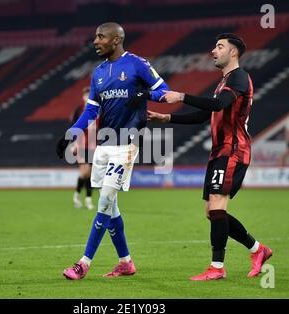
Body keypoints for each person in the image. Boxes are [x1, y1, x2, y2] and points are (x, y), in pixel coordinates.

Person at [148, 33, 273, 281]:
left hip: (233, 150)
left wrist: (182, 96)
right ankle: (258, 250)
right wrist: (168, 118)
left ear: (233, 52)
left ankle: (217, 268)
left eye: (219, 46)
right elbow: (206, 115)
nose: (213, 51)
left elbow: (217, 106)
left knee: (217, 207)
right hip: (220, 152)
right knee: (212, 211)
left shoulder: (238, 77)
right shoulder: (224, 81)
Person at [56, 22, 170, 280]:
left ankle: (83, 264)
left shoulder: (137, 64)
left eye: (100, 36)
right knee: (111, 205)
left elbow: (163, 91)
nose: (95, 41)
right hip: (104, 145)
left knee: (105, 200)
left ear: (116, 40)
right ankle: (126, 262)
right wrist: (71, 135)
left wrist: (143, 97)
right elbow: (90, 111)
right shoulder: (97, 73)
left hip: (127, 144)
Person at [69, 86, 96, 210]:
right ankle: (85, 198)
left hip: (93, 145)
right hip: (81, 145)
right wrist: (73, 144)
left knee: (89, 174)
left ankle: (80, 196)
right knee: (85, 172)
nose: (87, 96)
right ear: (83, 97)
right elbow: (75, 128)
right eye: (85, 94)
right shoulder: (79, 110)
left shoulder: (97, 110)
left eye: (89, 94)